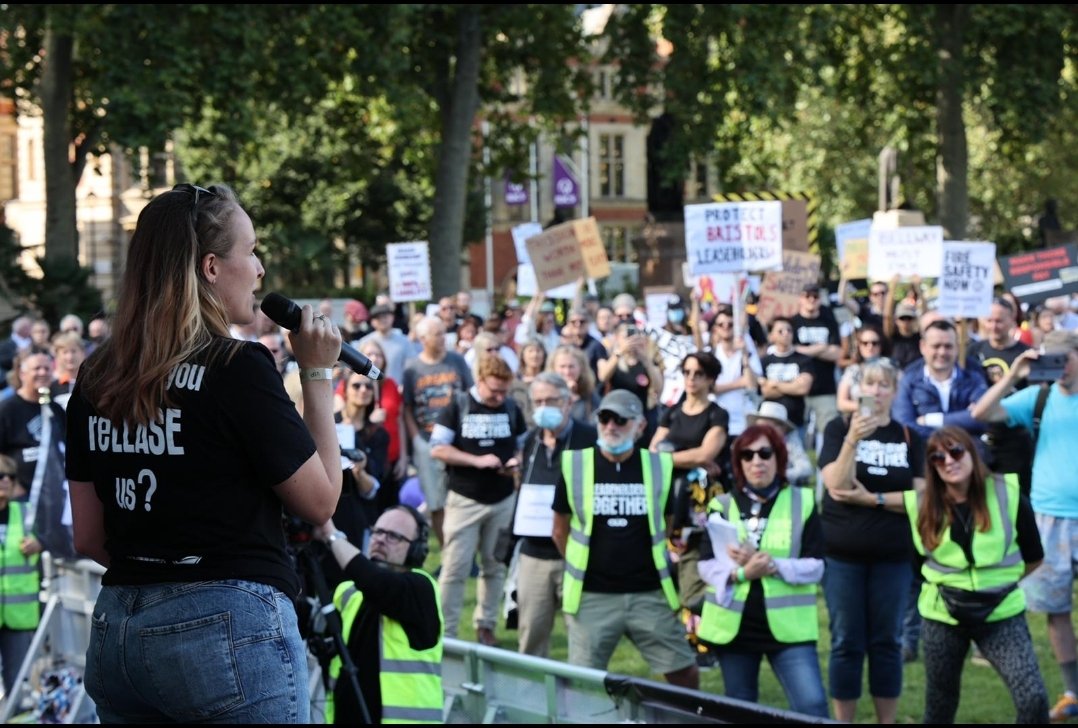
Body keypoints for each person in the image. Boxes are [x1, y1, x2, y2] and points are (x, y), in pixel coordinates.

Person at [65, 183, 343, 723]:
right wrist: (316, 373)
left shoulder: (95, 376)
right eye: (251, 250)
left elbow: (88, 536)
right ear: (211, 267)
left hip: (119, 628)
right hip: (229, 630)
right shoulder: (236, 366)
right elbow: (321, 501)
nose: (260, 269)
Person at [552, 389, 699, 689]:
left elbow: (666, 522)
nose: (611, 426)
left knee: (684, 672)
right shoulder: (575, 464)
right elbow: (559, 528)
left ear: (641, 426)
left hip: (648, 593)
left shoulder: (659, 467)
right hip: (592, 595)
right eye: (605, 418)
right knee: (583, 685)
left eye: (621, 419)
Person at [901, 426, 1047, 723]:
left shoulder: (1008, 494)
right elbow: (918, 565)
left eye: (955, 452)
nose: (949, 462)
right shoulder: (920, 504)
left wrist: (1001, 584)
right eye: (937, 458)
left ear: (972, 453)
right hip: (942, 614)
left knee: (1033, 699)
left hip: (1001, 612)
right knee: (939, 705)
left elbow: (1034, 557)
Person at [970, 329, 1078, 721]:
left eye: (1065, 358)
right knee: (1055, 609)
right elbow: (981, 413)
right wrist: (1015, 373)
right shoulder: (1040, 395)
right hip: (1049, 517)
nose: (1059, 368)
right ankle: (1072, 691)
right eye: (1051, 359)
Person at [819, 357, 925, 723]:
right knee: (846, 643)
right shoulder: (837, 430)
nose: (876, 392)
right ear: (859, 389)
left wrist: (874, 499)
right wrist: (852, 439)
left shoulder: (910, 437)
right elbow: (836, 485)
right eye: (870, 384)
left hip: (892, 558)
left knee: (887, 644)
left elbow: (922, 500)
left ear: (895, 392)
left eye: (884, 385)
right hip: (842, 556)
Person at [695, 425, 828, 717]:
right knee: (741, 710)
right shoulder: (722, 504)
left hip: (789, 629)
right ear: (739, 462)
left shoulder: (802, 501)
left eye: (765, 453)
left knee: (812, 706)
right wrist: (742, 574)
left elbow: (817, 567)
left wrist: (769, 565)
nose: (757, 461)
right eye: (748, 454)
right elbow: (705, 565)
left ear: (778, 458)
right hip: (735, 630)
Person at [430, 353, 526, 646]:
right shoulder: (457, 405)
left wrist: (515, 462)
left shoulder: (511, 407)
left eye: (503, 391)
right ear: (480, 380)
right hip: (464, 499)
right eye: (494, 390)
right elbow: (437, 449)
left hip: (502, 499)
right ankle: (447, 632)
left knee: (494, 566)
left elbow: (523, 446)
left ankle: (486, 625)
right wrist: (476, 461)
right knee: (455, 568)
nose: (499, 396)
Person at [314, 506, 443, 724]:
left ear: (416, 550)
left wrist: (330, 534)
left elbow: (377, 584)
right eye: (378, 532)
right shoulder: (349, 592)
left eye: (393, 536)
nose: (381, 540)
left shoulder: (421, 588)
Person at [513, 372, 596, 657]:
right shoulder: (528, 441)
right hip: (534, 554)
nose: (544, 407)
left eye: (551, 400)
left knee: (584, 637)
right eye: (538, 401)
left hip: (576, 550)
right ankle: (530, 698)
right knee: (532, 635)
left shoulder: (590, 438)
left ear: (568, 403)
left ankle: (583, 698)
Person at [0, 453, 43, 698]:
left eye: (10, 476)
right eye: (0, 476)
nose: (5, 481)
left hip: (18, 616)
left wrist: (40, 543)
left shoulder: (27, 513)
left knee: (17, 686)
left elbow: (54, 537)